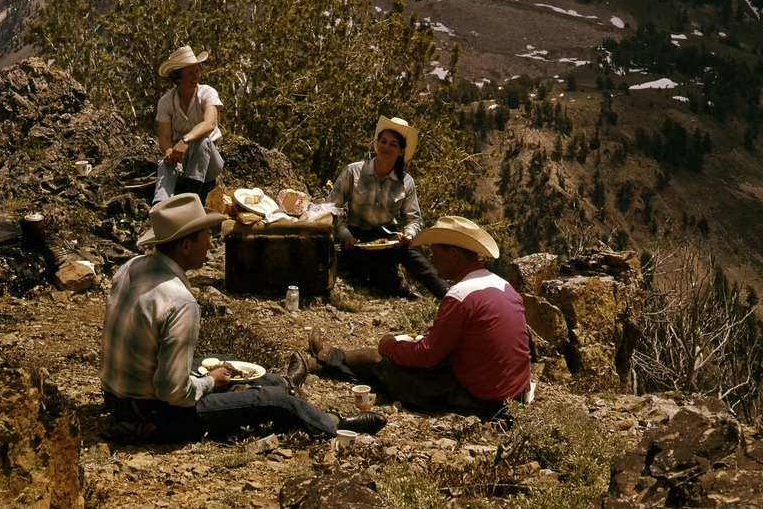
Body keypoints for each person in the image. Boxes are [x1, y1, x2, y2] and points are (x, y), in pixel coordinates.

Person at [99, 195, 387, 442]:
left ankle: (284, 382)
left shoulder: (131, 266)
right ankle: (332, 424)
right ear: (186, 246)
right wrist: (210, 383)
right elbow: (173, 394)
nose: (211, 244)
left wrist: (212, 377)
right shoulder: (180, 302)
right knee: (270, 403)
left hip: (117, 399)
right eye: (205, 235)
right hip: (154, 414)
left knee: (221, 362)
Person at [307, 216, 531, 419]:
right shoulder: (505, 286)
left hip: (481, 401)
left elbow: (428, 356)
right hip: (514, 397)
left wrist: (389, 346)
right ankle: (330, 358)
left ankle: (323, 362)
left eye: (436, 252)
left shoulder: (460, 295)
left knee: (386, 363)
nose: (432, 260)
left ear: (454, 255)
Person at [327, 116, 448, 299]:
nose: (386, 147)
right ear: (376, 144)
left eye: (393, 144)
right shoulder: (353, 172)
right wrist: (345, 237)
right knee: (363, 261)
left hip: (387, 238)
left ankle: (449, 295)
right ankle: (405, 291)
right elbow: (331, 209)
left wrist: (408, 235)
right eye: (383, 141)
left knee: (412, 255)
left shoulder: (406, 182)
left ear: (401, 151)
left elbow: (413, 219)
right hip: (356, 238)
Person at [153, 45, 225, 203]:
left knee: (203, 141)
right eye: (190, 73)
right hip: (183, 159)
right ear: (178, 78)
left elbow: (210, 123)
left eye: (197, 71)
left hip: (208, 161)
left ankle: (192, 196)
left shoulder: (207, 93)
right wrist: (169, 153)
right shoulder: (166, 102)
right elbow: (164, 137)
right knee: (165, 164)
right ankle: (160, 205)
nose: (196, 76)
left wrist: (186, 140)